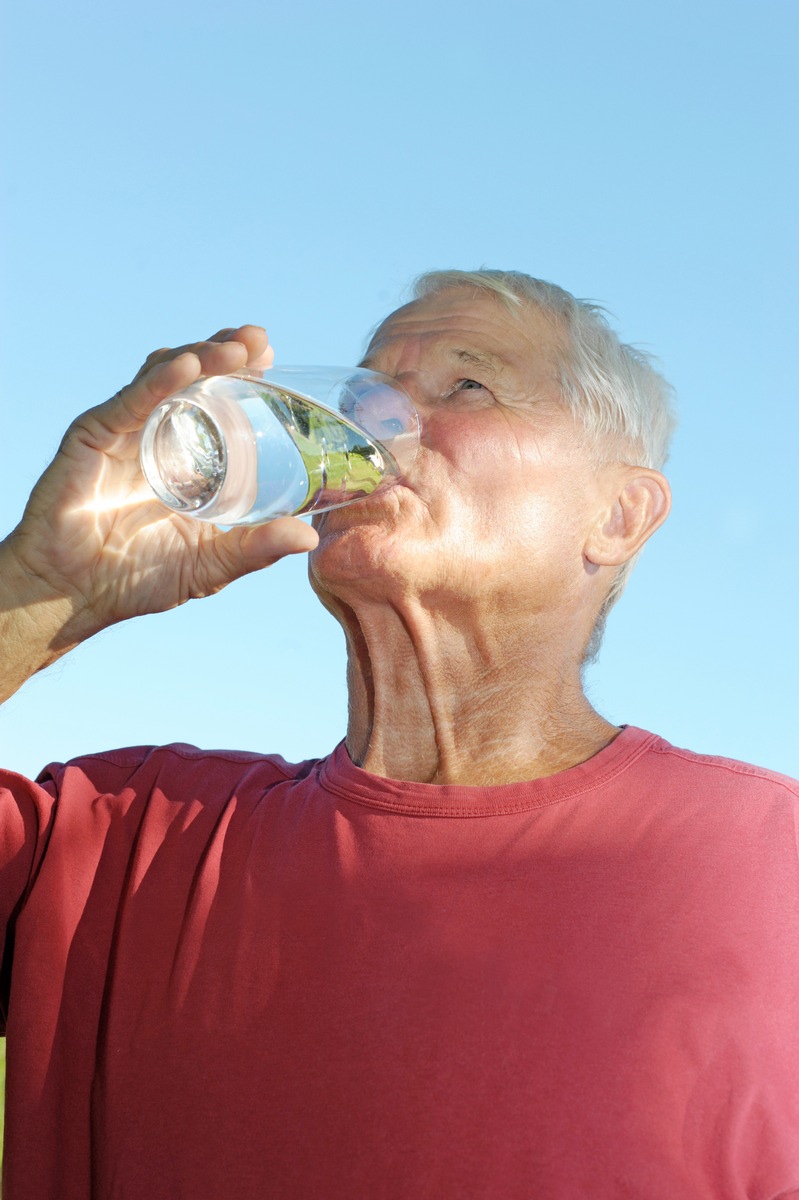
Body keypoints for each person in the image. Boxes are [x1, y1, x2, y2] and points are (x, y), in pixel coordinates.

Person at [0, 270, 796, 1199]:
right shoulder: (119, 839)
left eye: (467, 385)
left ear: (616, 516)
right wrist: (32, 594)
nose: (379, 423)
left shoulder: (767, 866)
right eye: (364, 395)